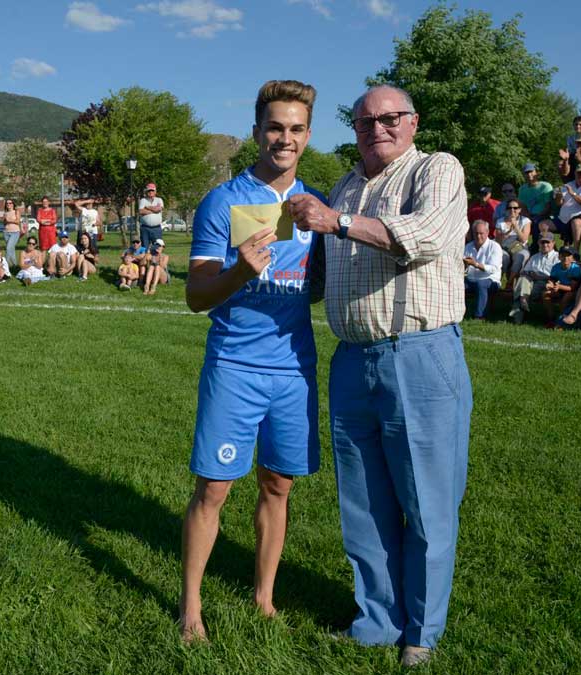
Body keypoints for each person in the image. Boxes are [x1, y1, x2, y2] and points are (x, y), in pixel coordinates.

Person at [290, 84, 470, 667]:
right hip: (352, 358)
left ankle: (422, 630)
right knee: (363, 504)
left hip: (418, 352)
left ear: (413, 122)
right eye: (366, 121)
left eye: (391, 118)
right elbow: (319, 270)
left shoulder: (435, 170)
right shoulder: (345, 185)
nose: (378, 129)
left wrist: (336, 223)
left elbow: (424, 238)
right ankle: (375, 620)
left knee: (426, 499)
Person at [180, 79, 326, 645]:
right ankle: (191, 607)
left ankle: (264, 597)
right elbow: (196, 296)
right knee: (213, 489)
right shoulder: (225, 201)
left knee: (278, 486)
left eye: (294, 129)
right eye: (274, 127)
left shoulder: (312, 208)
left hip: (293, 370)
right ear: (257, 131)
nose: (283, 138)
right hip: (235, 367)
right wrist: (241, 271)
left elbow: (311, 286)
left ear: (307, 136)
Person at [510, 233, 560, 323]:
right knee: (522, 279)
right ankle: (523, 300)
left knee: (520, 290)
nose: (545, 245)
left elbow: (558, 276)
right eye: (542, 242)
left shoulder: (557, 257)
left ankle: (518, 316)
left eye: (547, 242)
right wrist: (529, 274)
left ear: (553, 243)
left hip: (547, 283)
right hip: (532, 282)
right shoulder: (534, 257)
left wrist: (540, 277)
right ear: (538, 243)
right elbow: (524, 272)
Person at [552, 164, 581, 254]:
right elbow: (559, 203)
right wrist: (558, 197)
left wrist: (573, 194)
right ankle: (555, 253)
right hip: (563, 218)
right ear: (575, 173)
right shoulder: (568, 185)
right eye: (579, 173)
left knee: (576, 222)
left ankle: (575, 252)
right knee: (543, 225)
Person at [463, 220, 502, 319]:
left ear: (488, 232)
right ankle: (454, 312)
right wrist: (465, 266)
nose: (478, 236)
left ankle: (479, 316)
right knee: (455, 283)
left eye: (481, 233)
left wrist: (475, 264)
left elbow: (493, 269)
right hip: (471, 279)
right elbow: (464, 269)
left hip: (491, 280)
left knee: (481, 284)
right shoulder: (468, 246)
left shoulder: (495, 247)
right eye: (476, 233)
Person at [494, 199, 531, 289]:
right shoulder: (500, 221)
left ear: (519, 210)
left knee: (521, 256)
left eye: (515, 208)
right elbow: (498, 242)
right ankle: (496, 282)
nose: (512, 210)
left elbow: (524, 239)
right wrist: (508, 232)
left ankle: (510, 282)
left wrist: (516, 226)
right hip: (504, 247)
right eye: (509, 208)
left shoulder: (525, 221)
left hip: (520, 248)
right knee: (503, 256)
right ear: (506, 209)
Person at [544, 245, 581, 325]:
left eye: (568, 255)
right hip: (560, 289)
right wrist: (549, 284)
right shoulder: (556, 267)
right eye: (563, 255)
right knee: (545, 294)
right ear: (559, 257)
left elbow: (572, 288)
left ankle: (561, 319)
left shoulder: (575, 268)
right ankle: (551, 317)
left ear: (572, 258)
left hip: (573, 291)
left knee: (566, 297)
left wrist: (558, 287)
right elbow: (552, 279)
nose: (565, 258)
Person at [138, 183, 164, 248]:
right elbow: (141, 211)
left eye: (152, 190)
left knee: (157, 248)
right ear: (146, 191)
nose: (151, 192)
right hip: (145, 228)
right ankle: (145, 258)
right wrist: (154, 209)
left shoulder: (159, 200)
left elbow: (158, 210)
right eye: (149, 191)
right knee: (144, 248)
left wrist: (147, 207)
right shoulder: (143, 200)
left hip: (156, 228)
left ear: (155, 192)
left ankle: (155, 258)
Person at [2, 198, 23, 267]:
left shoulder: (16, 211)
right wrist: (5, 221)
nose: (8, 204)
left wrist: (10, 220)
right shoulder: (5, 213)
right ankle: (15, 266)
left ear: (13, 204)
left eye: (10, 203)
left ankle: (5, 266)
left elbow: (17, 221)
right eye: (7, 203)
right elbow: (4, 223)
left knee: (8, 248)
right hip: (6, 232)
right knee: (12, 249)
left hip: (15, 232)